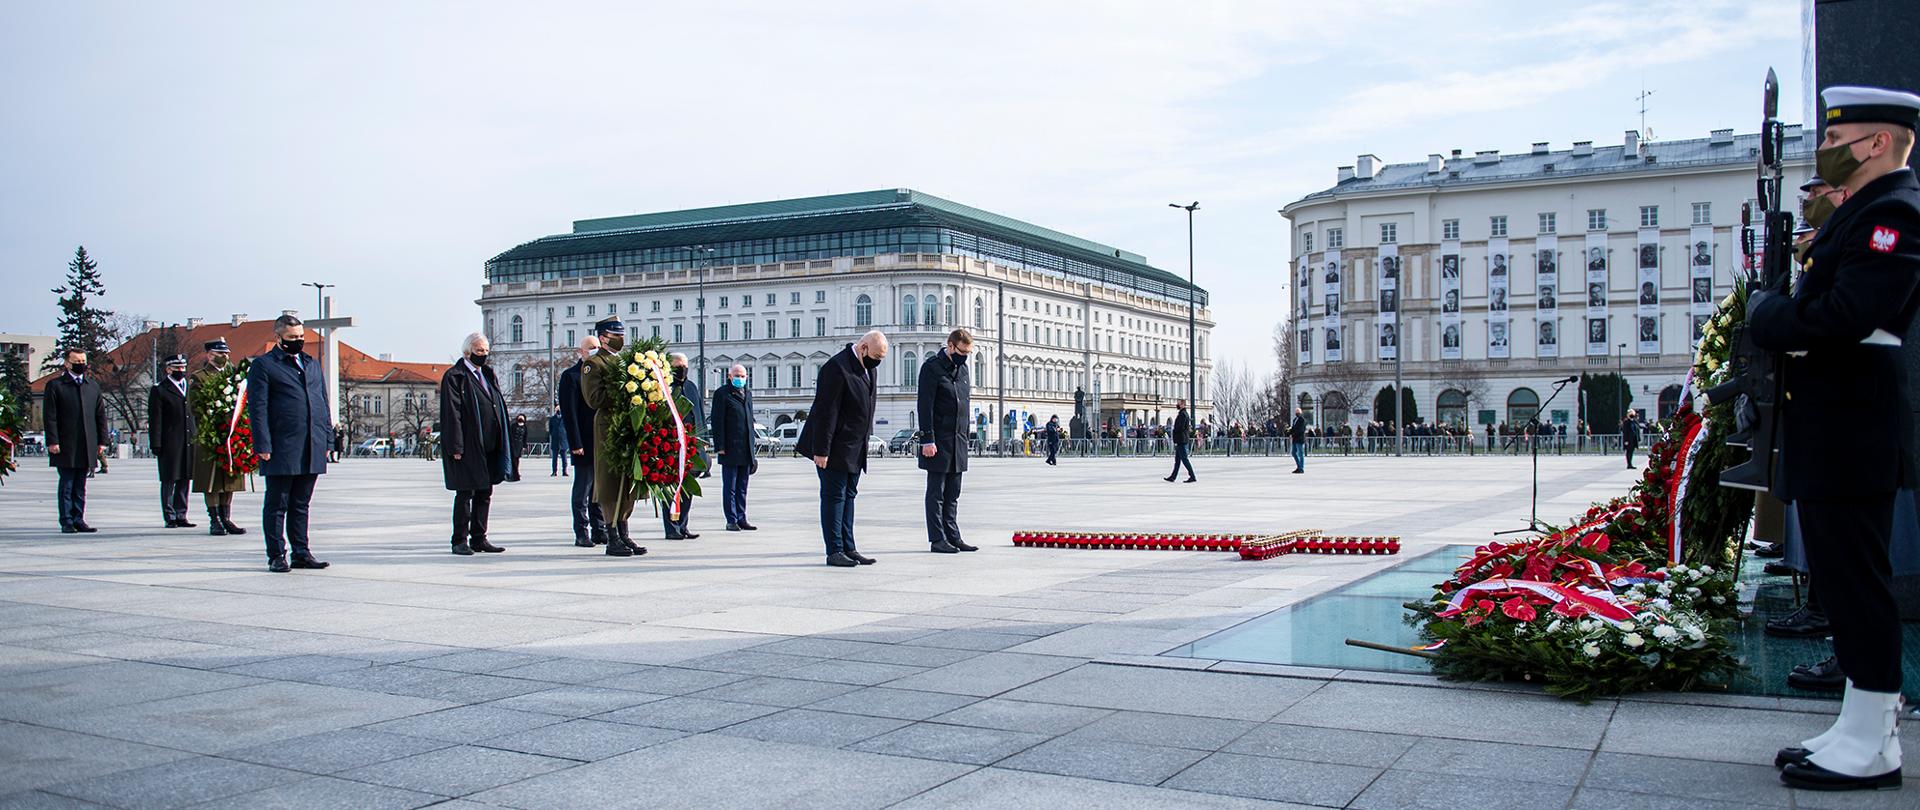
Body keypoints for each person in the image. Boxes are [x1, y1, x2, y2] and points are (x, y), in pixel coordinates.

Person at [1754, 85, 1920, 791]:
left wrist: (1769, 315)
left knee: (1858, 585)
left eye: (1835, 143)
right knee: (1845, 586)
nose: (1824, 155)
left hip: (1851, 430)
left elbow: (1845, 315)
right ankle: (1861, 727)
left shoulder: (1892, 215)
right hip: (1833, 427)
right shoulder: (1866, 213)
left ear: (1876, 143)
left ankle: (1876, 741)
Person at [247, 314, 332, 573]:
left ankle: (301, 552)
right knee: (277, 504)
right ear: (279, 337)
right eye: (292, 338)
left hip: (312, 444)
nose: (298, 342)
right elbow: (258, 407)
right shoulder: (265, 365)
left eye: (301, 337)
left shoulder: (311, 363)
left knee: (301, 503)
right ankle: (276, 555)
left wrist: (327, 438)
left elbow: (322, 402)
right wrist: (263, 443)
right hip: (282, 446)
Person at [796, 330, 886, 567]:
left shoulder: (869, 369)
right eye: (876, 356)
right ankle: (834, 549)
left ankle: (849, 546)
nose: (877, 362)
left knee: (849, 496)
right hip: (834, 447)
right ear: (863, 347)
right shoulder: (836, 368)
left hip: (855, 447)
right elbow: (827, 412)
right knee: (834, 497)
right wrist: (821, 450)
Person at [440, 333, 511, 556]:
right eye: (480, 351)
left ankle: (479, 537)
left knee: (485, 491)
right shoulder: (455, 377)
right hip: (468, 446)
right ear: (467, 352)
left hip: (490, 445)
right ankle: (459, 540)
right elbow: (452, 414)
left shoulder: (488, 374)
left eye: (486, 351)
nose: (484, 355)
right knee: (465, 493)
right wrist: (456, 447)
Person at [580, 318, 645, 557]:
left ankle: (624, 532)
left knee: (627, 480)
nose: (621, 338)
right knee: (610, 481)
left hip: (628, 424)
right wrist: (623, 389)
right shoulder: (593, 364)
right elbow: (593, 398)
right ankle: (612, 535)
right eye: (615, 334)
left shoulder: (624, 362)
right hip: (608, 427)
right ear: (603, 337)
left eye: (622, 334)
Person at [917, 329, 976, 554]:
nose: (965, 356)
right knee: (936, 492)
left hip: (958, 439)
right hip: (938, 440)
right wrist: (927, 439)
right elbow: (925, 406)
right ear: (950, 346)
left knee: (953, 492)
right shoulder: (931, 368)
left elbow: (964, 404)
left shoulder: (963, 369)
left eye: (969, 352)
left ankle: (953, 535)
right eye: (962, 351)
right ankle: (937, 538)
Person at [45, 349, 107, 533]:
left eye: (83, 360)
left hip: (87, 443)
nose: (81, 364)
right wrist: (53, 441)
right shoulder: (56, 386)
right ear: (67, 363)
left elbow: (100, 415)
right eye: (76, 361)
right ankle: (67, 520)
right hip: (65, 443)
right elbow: (50, 417)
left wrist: (102, 441)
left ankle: (79, 518)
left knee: (81, 484)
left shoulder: (92, 386)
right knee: (67, 483)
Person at [191, 339, 248, 536]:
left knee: (229, 477)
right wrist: (215, 424)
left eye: (226, 353)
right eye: (219, 353)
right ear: (209, 355)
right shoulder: (199, 378)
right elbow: (196, 408)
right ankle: (214, 519)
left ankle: (226, 517)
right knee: (212, 480)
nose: (224, 357)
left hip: (232, 434)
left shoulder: (234, 377)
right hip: (212, 434)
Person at [559, 335, 607, 548]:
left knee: (599, 489)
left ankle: (600, 529)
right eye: (591, 348)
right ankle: (581, 531)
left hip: (602, 442)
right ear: (582, 352)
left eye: (598, 347)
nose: (595, 351)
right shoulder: (571, 376)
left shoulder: (602, 374)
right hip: (584, 442)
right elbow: (570, 414)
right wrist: (575, 443)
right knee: (583, 489)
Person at [147, 354, 196, 528]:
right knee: (169, 479)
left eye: (183, 368)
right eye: (177, 368)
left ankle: (181, 513)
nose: (181, 371)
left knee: (184, 478)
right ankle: (169, 515)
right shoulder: (160, 389)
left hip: (188, 440)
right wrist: (156, 443)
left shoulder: (189, 387)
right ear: (168, 369)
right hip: (170, 441)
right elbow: (155, 419)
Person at [710, 364, 757, 531]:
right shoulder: (722, 394)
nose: (740, 378)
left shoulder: (748, 394)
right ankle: (731, 519)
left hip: (745, 448)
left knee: (742, 487)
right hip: (730, 447)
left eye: (743, 376)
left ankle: (742, 517)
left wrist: (753, 449)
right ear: (729, 376)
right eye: (737, 375)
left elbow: (750, 421)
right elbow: (717, 420)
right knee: (730, 486)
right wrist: (720, 445)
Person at [661, 353, 702, 541]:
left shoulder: (692, 387)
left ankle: (683, 524)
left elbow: (699, 415)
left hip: (690, 446)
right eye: (678, 366)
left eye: (684, 365)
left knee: (688, 489)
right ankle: (671, 527)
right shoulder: (665, 387)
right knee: (670, 489)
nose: (682, 369)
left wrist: (701, 446)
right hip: (671, 445)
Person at [1164, 399, 1196, 483]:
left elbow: (1180, 427)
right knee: (1177, 460)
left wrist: (1175, 431)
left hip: (1181, 439)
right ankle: (1173, 477)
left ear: (1182, 405)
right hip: (1180, 439)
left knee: (1184, 459)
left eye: (1178, 403)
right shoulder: (1183, 414)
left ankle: (1192, 476)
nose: (1177, 405)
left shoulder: (1183, 414)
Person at [548, 405, 569, 477]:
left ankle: (565, 471)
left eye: (559, 409)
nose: (558, 410)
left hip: (563, 441)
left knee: (564, 459)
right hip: (555, 441)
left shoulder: (565, 418)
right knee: (554, 459)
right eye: (557, 409)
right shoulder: (552, 419)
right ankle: (554, 471)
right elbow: (550, 430)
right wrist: (554, 434)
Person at [506, 413, 527, 482]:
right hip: (513, 444)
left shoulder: (524, 427)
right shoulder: (513, 426)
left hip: (519, 445)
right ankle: (513, 472)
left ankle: (516, 471)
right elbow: (511, 434)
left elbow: (525, 437)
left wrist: (524, 445)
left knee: (517, 459)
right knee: (513, 458)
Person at [1289, 407, 1308, 474]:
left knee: (1300, 453)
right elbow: (1293, 428)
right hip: (1295, 439)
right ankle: (1299, 466)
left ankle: (1301, 468)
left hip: (1299, 439)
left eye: (1298, 412)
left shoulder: (1302, 420)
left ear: (1300, 413)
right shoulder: (1295, 420)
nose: (1297, 413)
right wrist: (1289, 432)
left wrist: (1294, 433)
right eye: (1296, 412)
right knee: (1293, 453)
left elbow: (1301, 430)